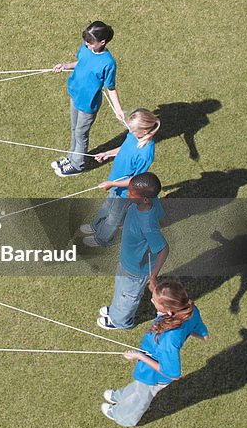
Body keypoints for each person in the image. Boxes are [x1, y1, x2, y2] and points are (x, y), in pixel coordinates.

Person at [101, 279, 208, 426]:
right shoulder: (189, 309)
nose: (151, 300)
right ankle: (121, 396)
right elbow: (203, 335)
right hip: (149, 361)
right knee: (138, 386)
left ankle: (122, 416)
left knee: (141, 396)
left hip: (154, 375)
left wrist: (139, 356)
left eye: (155, 300)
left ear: (169, 312)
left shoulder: (169, 340)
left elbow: (172, 373)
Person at [51, 21, 124, 176]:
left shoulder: (108, 63)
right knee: (73, 129)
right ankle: (71, 157)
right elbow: (81, 62)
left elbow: (110, 87)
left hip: (88, 104)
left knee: (80, 133)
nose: (87, 44)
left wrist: (118, 109)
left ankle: (77, 165)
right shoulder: (86, 47)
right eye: (86, 41)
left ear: (102, 42)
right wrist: (65, 65)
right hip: (75, 95)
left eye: (90, 43)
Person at [97, 172, 168, 330]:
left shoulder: (147, 224)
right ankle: (116, 311)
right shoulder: (150, 201)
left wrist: (153, 276)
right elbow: (162, 217)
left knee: (128, 296)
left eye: (131, 193)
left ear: (144, 199)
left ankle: (120, 321)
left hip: (136, 269)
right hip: (127, 260)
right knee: (121, 288)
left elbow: (163, 248)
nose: (128, 194)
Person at [81, 109, 160, 247]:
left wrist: (111, 183)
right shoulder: (133, 135)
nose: (130, 131)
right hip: (114, 182)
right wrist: (107, 153)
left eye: (133, 130)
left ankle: (103, 239)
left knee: (114, 217)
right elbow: (124, 148)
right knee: (106, 206)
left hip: (126, 192)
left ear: (145, 131)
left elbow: (135, 181)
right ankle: (96, 226)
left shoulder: (146, 153)